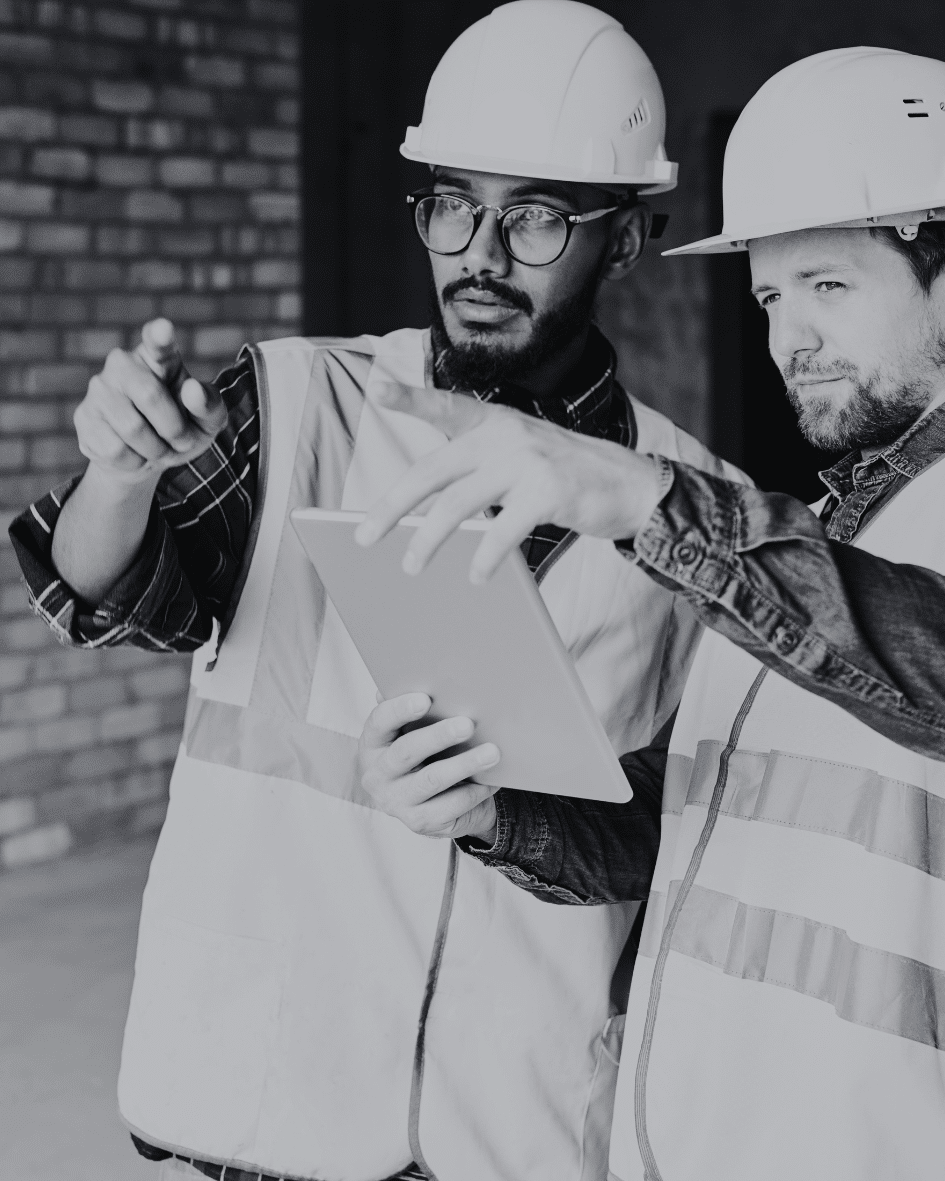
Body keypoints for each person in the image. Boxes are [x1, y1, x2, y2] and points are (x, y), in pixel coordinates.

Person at [9, 5, 743, 1179]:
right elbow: (105, 594)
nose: (481, 256)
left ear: (631, 239)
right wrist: (119, 475)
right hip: (275, 1103)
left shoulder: (697, 512)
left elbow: (672, 837)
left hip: (516, 1122)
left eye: (537, 217)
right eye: (453, 205)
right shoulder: (301, 400)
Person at [354, 47, 945, 1181]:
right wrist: (490, 809)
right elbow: (664, 830)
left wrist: (643, 496)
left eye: (829, 285)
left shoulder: (806, 558)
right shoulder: (819, 543)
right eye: (771, 295)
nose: (791, 339)